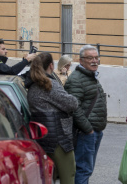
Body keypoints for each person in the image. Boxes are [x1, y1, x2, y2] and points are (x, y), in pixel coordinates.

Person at [26, 52, 78, 184]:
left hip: (41, 138)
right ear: (51, 65)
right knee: (68, 176)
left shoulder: (31, 85)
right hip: (58, 138)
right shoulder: (49, 84)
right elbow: (72, 103)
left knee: (47, 177)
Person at [64, 45, 107, 184]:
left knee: (86, 169)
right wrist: (88, 129)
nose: (94, 61)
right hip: (85, 133)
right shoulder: (76, 79)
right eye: (90, 58)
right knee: (83, 169)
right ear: (81, 60)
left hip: (93, 131)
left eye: (96, 57)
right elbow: (74, 108)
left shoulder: (91, 76)